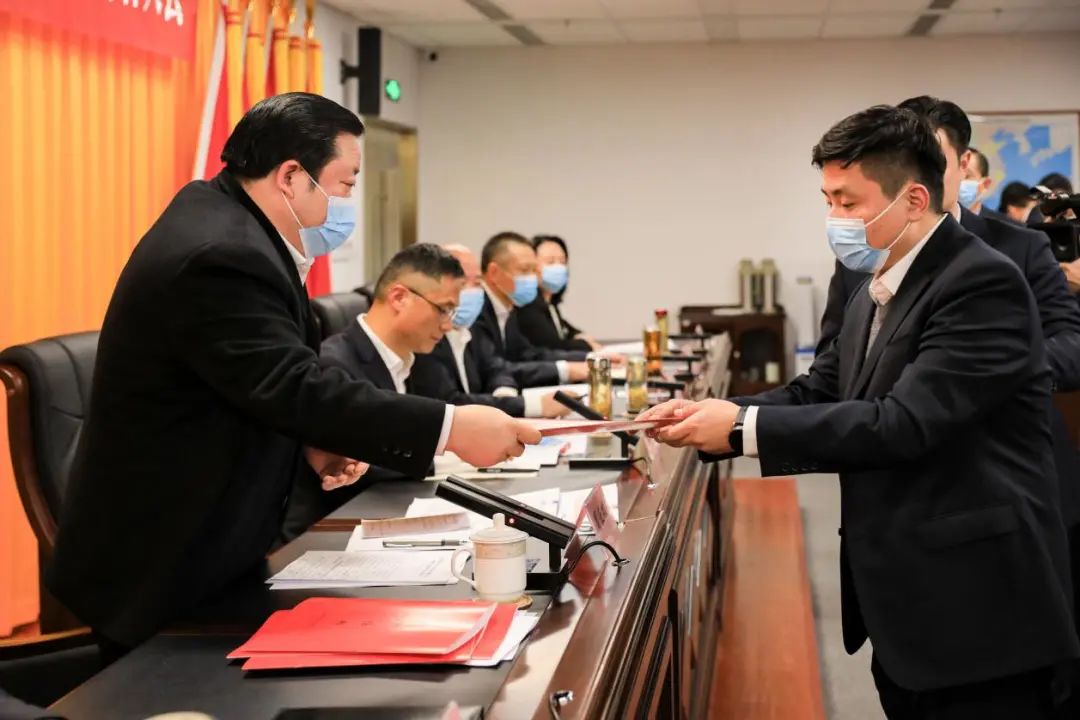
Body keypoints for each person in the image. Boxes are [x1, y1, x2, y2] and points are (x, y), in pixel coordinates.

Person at [46, 93, 540, 657]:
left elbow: (251, 379)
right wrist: (451, 427)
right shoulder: (220, 253)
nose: (346, 202)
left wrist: (309, 440)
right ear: (290, 177)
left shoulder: (234, 226)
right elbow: (292, 385)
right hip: (161, 561)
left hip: (212, 543)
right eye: (345, 183)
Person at [641, 104, 1078, 719]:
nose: (835, 220)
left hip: (978, 608)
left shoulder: (981, 282)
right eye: (828, 201)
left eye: (849, 203)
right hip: (908, 601)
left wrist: (741, 428)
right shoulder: (875, 281)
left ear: (914, 199)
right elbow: (823, 390)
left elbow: (903, 423)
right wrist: (715, 412)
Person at [420, 244, 575, 415]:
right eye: (462, 283)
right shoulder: (427, 334)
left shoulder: (468, 327)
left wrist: (505, 393)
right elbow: (449, 403)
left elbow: (495, 368)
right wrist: (530, 406)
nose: (535, 279)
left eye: (477, 282)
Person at [473, 231, 589, 384]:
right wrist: (566, 371)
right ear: (494, 272)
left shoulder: (508, 308)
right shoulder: (476, 310)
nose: (533, 279)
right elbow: (495, 368)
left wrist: (589, 359)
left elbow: (527, 354)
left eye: (534, 270)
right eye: (524, 270)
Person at [516, 235, 600, 353]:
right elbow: (551, 345)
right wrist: (585, 345)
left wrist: (579, 335)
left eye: (562, 262)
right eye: (550, 262)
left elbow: (565, 330)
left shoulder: (549, 305)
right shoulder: (527, 306)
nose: (558, 267)